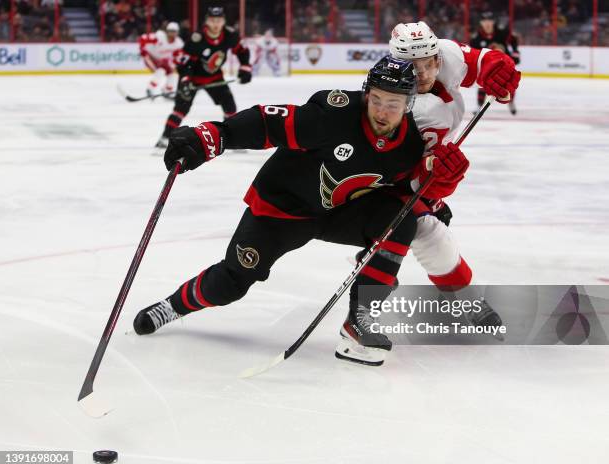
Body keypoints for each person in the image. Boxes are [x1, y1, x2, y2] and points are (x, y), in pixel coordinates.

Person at [133, 56, 470, 367]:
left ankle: (359, 324)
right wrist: (214, 136)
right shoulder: (334, 114)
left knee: (400, 222)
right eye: (376, 99)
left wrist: (434, 197)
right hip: (281, 209)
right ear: (366, 94)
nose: (381, 111)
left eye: (393, 104)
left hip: (338, 212)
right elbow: (268, 123)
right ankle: (172, 306)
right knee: (232, 282)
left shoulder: (411, 145)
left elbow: (403, 189)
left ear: (409, 104)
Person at [386, 21, 520, 335]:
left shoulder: (445, 54)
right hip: (386, 183)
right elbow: (397, 174)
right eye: (410, 66)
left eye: (427, 62)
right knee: (430, 236)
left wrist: (498, 71)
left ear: (436, 57)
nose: (422, 72)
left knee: (428, 231)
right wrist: (435, 182)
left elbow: (482, 60)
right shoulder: (391, 104)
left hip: (420, 174)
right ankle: (378, 257)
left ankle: (379, 256)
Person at [155, 6, 252, 149]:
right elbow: (184, 64)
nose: (216, 24)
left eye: (219, 20)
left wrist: (245, 68)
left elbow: (242, 51)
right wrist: (185, 81)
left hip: (215, 78)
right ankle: (164, 138)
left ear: (224, 21)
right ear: (206, 21)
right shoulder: (196, 39)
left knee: (230, 106)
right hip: (192, 78)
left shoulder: (230, 35)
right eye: (212, 20)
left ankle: (230, 139)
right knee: (180, 110)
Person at [470, 11, 521, 115]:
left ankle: (511, 102)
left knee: (509, 83)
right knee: (482, 83)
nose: (487, 23)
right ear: (481, 23)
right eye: (484, 21)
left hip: (504, 64)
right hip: (487, 66)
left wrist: (515, 51)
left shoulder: (502, 32)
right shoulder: (476, 38)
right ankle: (479, 105)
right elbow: (473, 54)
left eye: (489, 20)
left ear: (493, 22)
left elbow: (514, 40)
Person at [139, 22, 184, 98]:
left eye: (174, 31)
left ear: (177, 32)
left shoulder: (179, 43)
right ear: (167, 31)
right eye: (171, 31)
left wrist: (175, 64)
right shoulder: (159, 37)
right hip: (151, 57)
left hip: (162, 60)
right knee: (161, 71)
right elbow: (143, 38)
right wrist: (143, 51)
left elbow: (178, 56)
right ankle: (150, 89)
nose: (172, 34)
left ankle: (167, 90)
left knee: (173, 73)